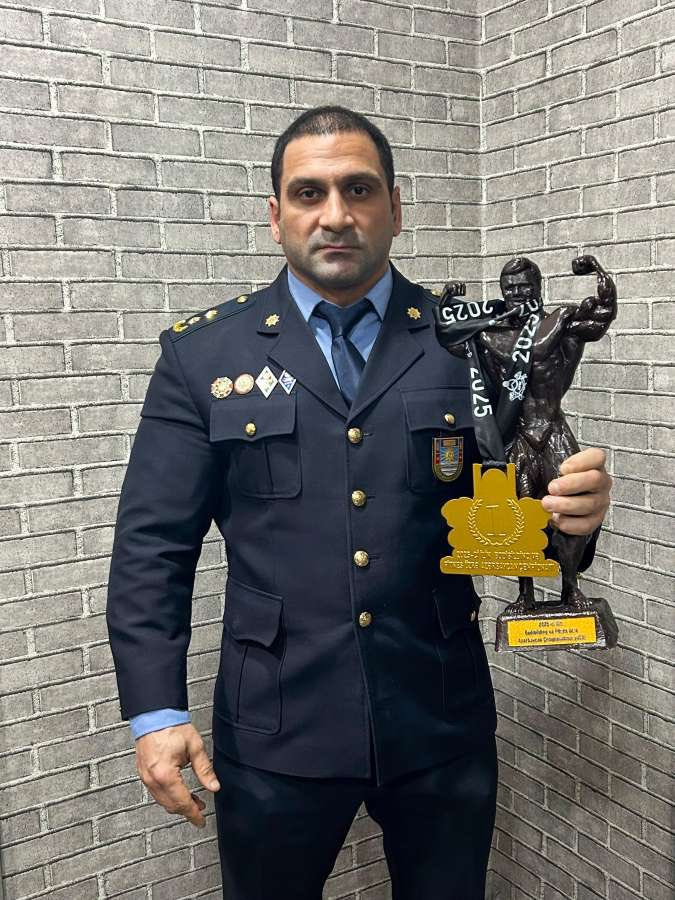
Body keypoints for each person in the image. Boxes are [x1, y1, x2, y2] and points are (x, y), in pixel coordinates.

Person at [106, 106, 612, 899]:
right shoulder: (204, 356)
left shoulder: (467, 343)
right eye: (308, 193)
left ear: (395, 208)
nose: (335, 215)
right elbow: (152, 547)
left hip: (437, 719)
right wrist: (155, 713)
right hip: (276, 728)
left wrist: (571, 518)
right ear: (276, 215)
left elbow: (506, 517)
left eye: (359, 189)